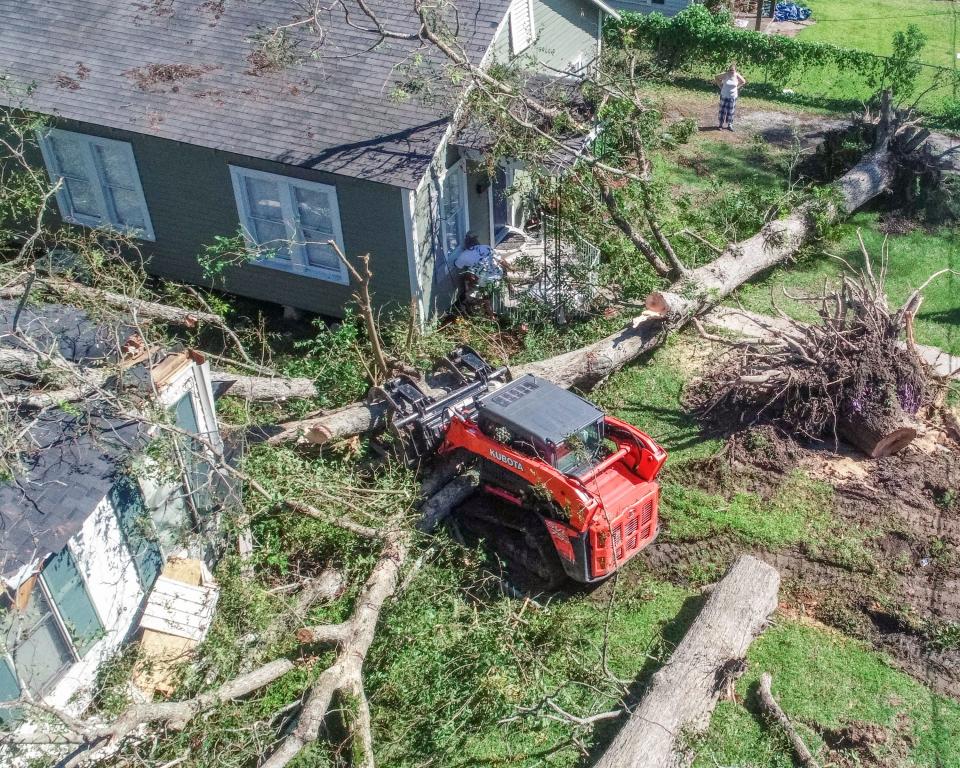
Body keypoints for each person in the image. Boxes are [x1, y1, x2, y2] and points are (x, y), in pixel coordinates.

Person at [714, 63, 746, 132]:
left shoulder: (737, 75)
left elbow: (743, 81)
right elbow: (716, 77)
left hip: (733, 96)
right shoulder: (725, 74)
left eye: (733, 70)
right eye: (730, 70)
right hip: (724, 95)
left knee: (730, 111)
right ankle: (720, 124)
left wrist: (737, 88)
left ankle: (730, 125)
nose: (731, 71)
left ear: (735, 70)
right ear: (728, 70)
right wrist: (720, 86)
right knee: (722, 110)